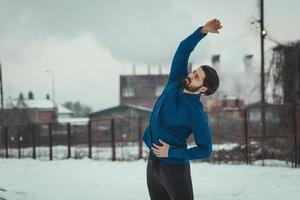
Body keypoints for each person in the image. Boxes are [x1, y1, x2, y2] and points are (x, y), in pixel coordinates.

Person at [142, 18, 222, 200]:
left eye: (197, 78)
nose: (191, 76)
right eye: (194, 72)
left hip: (174, 169)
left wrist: (172, 152)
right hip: (153, 162)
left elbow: (205, 149)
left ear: (204, 89)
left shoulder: (197, 114)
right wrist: (203, 31)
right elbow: (183, 49)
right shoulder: (176, 80)